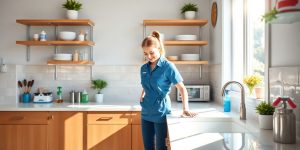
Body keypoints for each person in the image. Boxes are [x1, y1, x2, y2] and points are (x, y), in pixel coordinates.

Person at [140, 31, 197, 150]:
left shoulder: (168, 66)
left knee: (161, 147)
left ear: (158, 48)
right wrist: (143, 94)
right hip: (146, 112)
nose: (149, 57)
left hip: (161, 113)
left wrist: (185, 108)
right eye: (145, 53)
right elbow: (146, 84)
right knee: (148, 147)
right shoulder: (143, 68)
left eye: (151, 52)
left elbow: (182, 88)